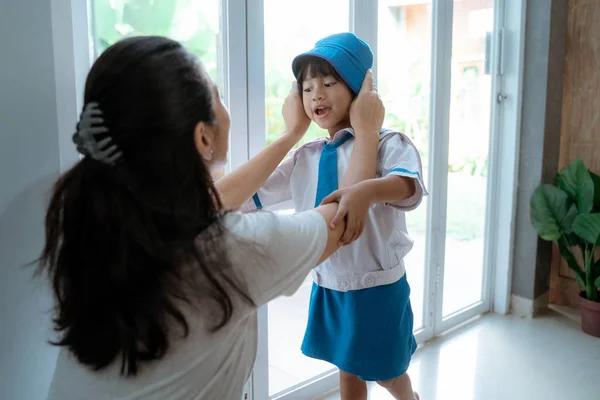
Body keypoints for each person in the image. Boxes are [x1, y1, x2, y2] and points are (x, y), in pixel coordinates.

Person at [38, 35, 384, 400]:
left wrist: (290, 135)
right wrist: (367, 132)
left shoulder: (102, 222)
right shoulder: (233, 248)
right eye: (217, 96)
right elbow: (343, 221)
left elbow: (214, 200)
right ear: (203, 138)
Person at [243, 33, 428, 400]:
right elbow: (254, 195)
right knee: (346, 368)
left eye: (329, 83)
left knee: (389, 373)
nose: (317, 95)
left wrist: (367, 190)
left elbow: (409, 187)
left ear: (360, 92)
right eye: (307, 88)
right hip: (330, 285)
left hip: (378, 287)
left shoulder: (387, 143)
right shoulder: (305, 156)